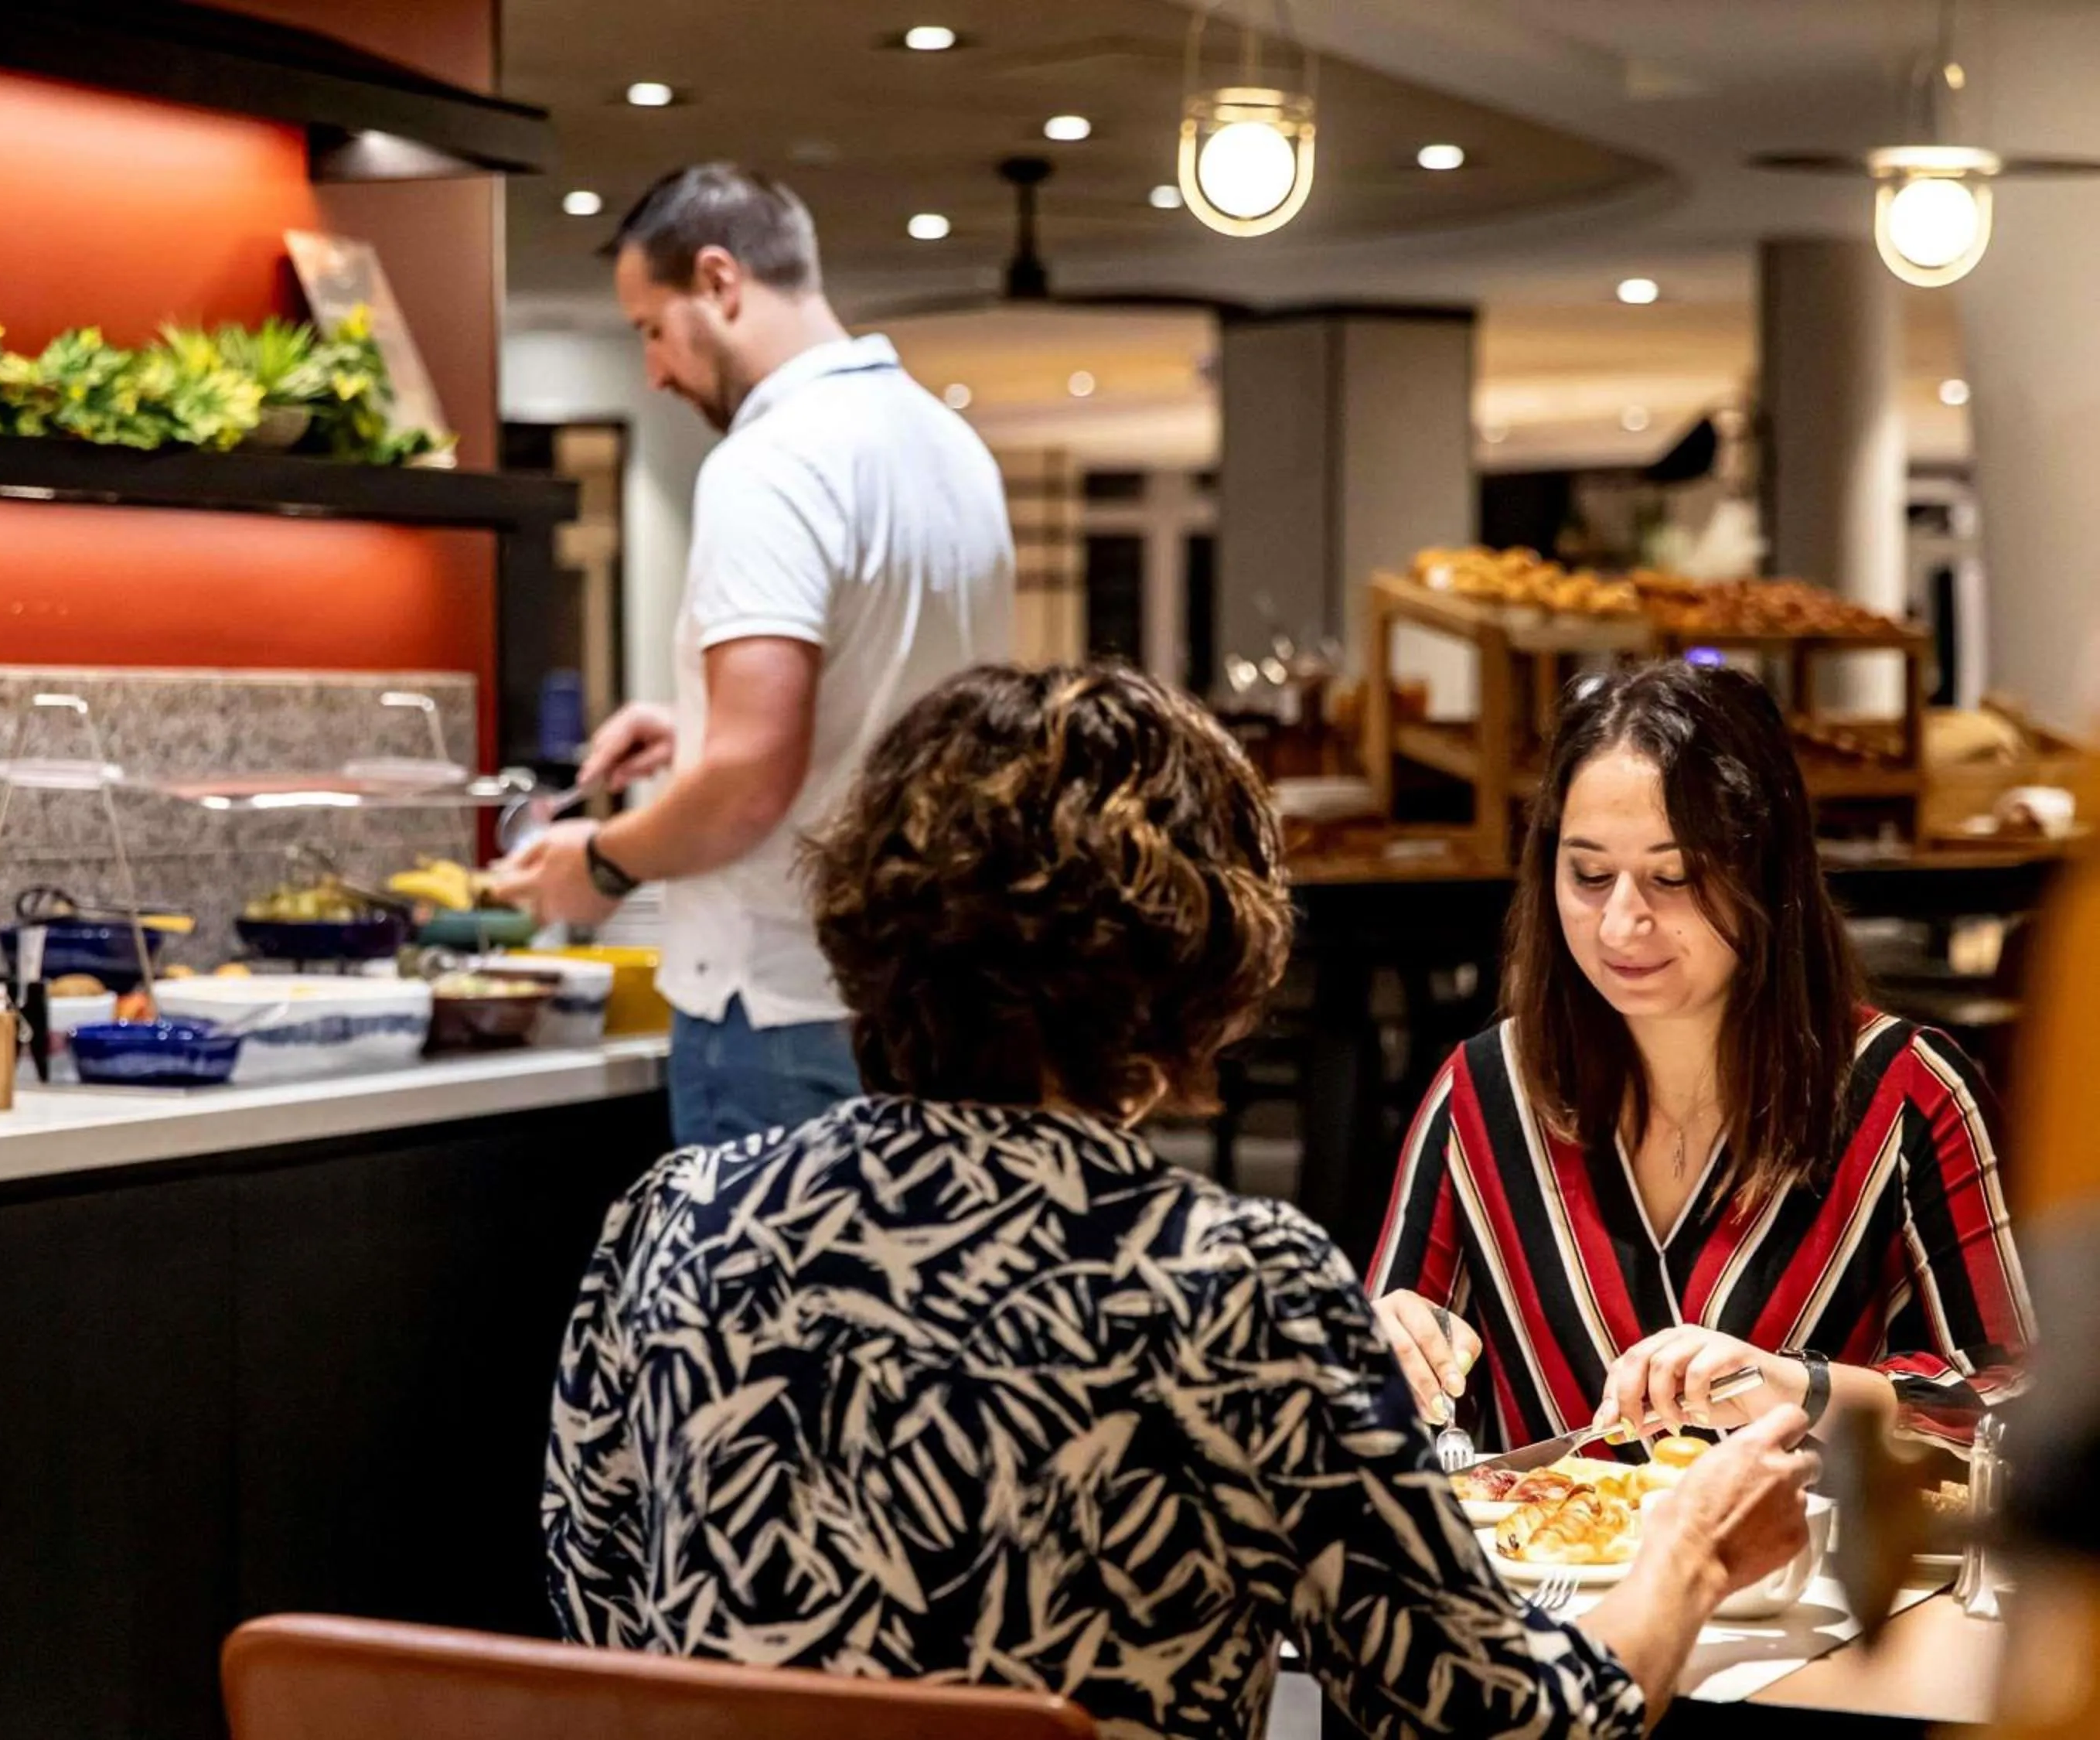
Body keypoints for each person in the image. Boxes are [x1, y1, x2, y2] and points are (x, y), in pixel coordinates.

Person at [544, 664, 1819, 1740]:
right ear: (1203, 965)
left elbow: (598, 1609)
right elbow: (1498, 1723)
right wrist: (1689, 1554)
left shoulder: (675, 1219)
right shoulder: (1234, 1285)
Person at [1370, 660, 2034, 1457]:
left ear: (1766, 872)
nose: (1621, 923)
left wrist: (1799, 1387)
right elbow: (1375, 1422)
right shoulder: (1483, 1094)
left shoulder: (1910, 1094)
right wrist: (1384, 1351)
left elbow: (2021, 1405)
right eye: (1587, 874)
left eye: (1673, 876)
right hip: (1559, 1572)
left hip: (1813, 1578)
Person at [489, 164, 1013, 1147]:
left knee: (767, 1304)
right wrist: (694, 726)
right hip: (928, 998)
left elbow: (748, 783)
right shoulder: (951, 448)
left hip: (776, 1004)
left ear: (721, 282)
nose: (651, 372)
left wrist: (596, 862)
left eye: (650, 328)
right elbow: (895, 713)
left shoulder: (770, 464)